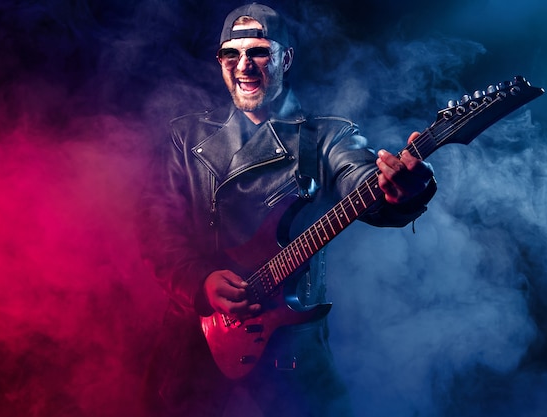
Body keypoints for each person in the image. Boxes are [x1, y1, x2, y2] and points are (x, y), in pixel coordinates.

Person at [136, 3, 437, 417]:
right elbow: (158, 231)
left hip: (290, 339)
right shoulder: (185, 138)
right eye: (232, 54)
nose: (244, 66)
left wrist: (400, 190)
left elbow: (360, 178)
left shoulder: (329, 136)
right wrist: (199, 281)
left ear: (285, 58)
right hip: (195, 336)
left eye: (259, 51)